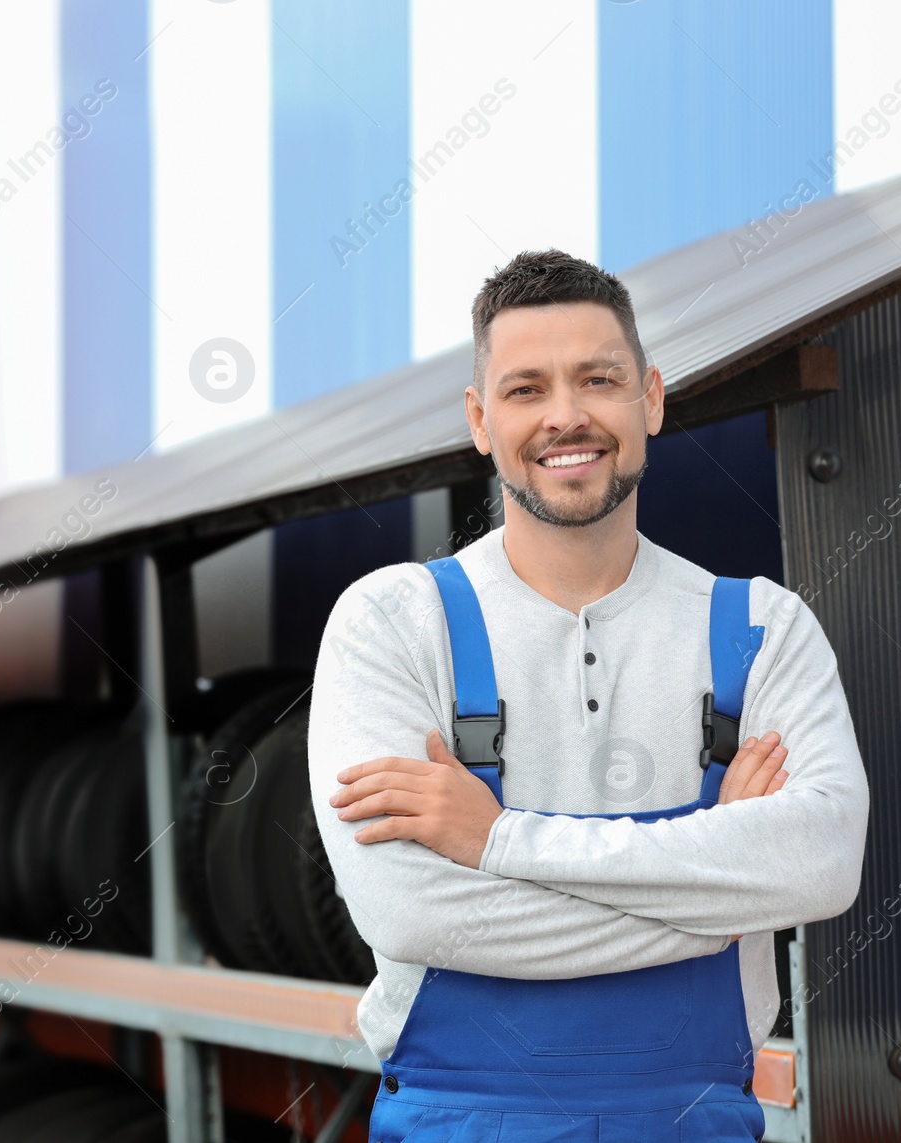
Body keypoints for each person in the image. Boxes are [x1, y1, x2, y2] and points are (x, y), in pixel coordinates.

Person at [308, 249, 869, 1141]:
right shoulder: (392, 622)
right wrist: (720, 898)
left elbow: (822, 867)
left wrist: (492, 838)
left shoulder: (765, 626)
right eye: (526, 388)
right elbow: (414, 914)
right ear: (480, 420)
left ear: (649, 397)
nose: (566, 416)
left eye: (598, 379)